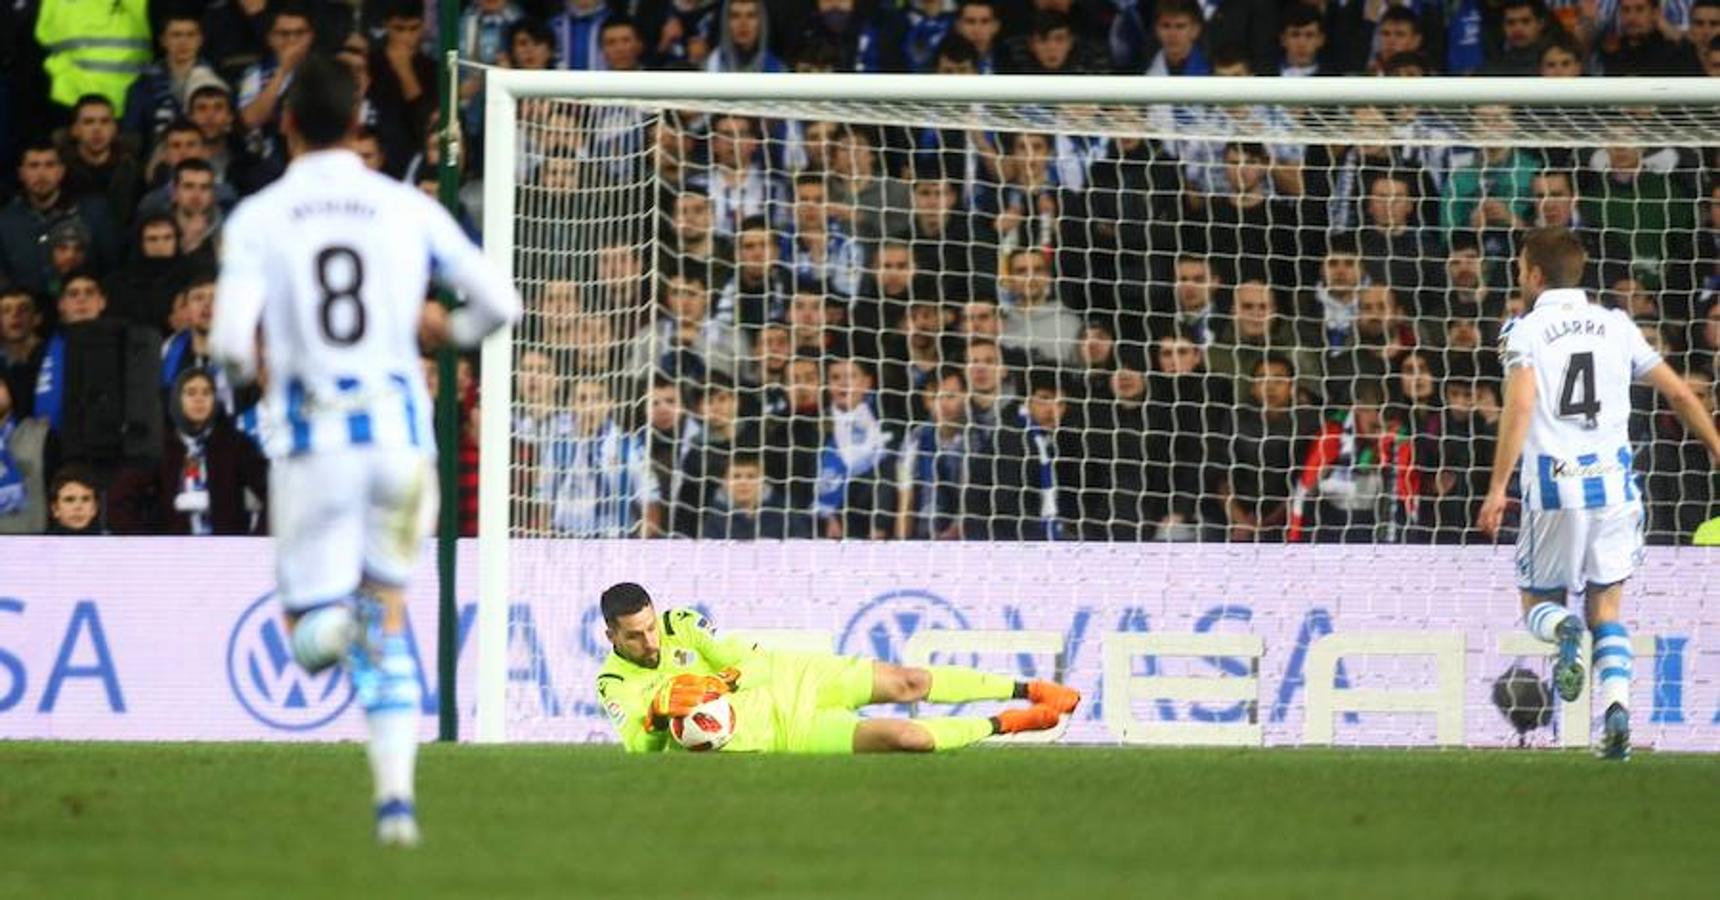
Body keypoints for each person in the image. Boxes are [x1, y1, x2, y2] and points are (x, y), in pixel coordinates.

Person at [209, 55, 520, 845]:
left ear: (285, 124)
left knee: (313, 640)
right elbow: (499, 303)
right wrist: (446, 331)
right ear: (359, 123)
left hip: (316, 444)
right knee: (389, 614)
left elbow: (230, 349)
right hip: (403, 442)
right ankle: (396, 805)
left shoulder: (258, 217)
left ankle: (339, 629)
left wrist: (268, 358)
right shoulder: (404, 208)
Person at [1478, 227, 1720, 761]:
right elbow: (1679, 391)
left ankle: (1564, 632)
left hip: (1552, 486)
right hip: (1614, 486)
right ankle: (1616, 716)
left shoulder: (1523, 329)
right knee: (1607, 609)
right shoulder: (1617, 325)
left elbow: (1520, 406)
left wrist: (1497, 487)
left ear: (1535, 275)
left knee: (1537, 603)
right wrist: (1716, 444)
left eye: (1520, 267)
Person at [594, 582, 1080, 754]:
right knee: (909, 740)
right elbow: (642, 748)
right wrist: (658, 717)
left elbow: (753, 660)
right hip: (787, 732)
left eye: (651, 626)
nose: (650, 640)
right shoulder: (612, 681)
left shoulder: (682, 623)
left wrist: (718, 683)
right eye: (634, 636)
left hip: (795, 677)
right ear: (611, 635)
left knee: (908, 681)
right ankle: (1008, 723)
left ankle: (1030, 687)